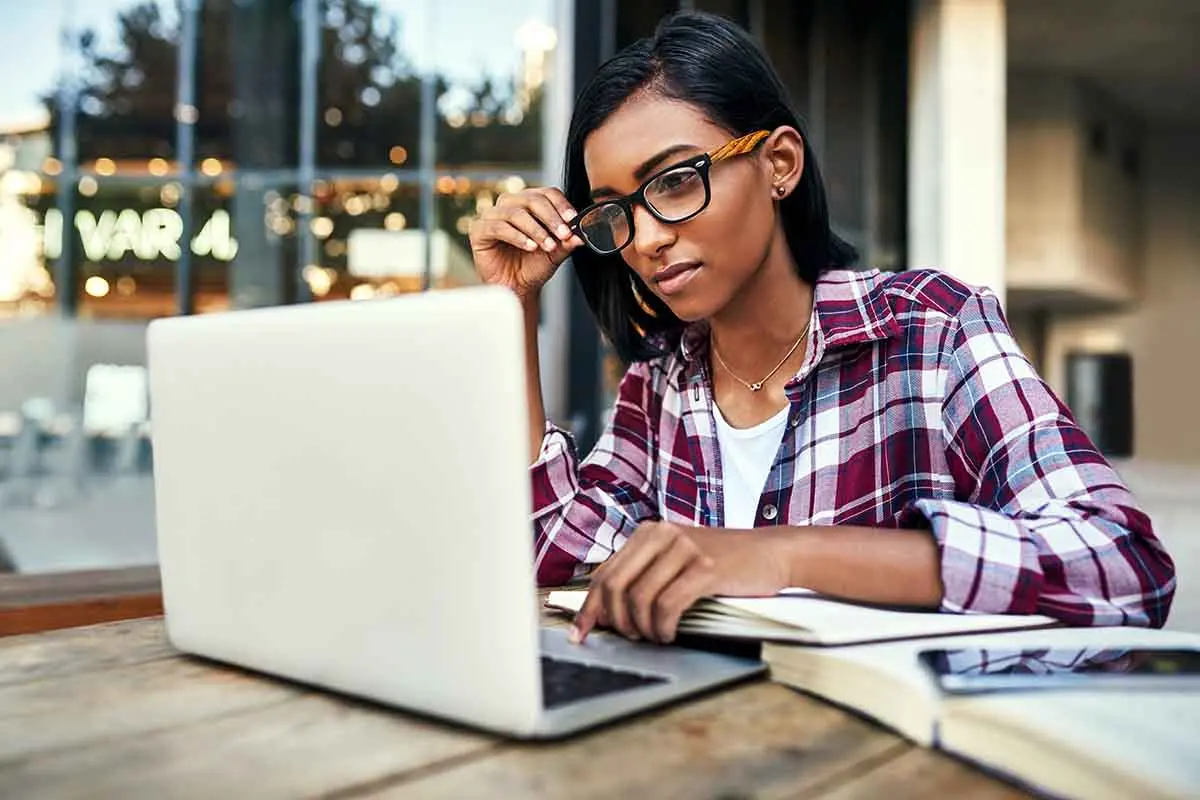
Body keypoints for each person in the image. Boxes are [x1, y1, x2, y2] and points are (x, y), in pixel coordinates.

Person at [467, 11, 1175, 645]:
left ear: (778, 164)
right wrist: (514, 308)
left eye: (676, 179)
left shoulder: (930, 331)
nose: (645, 238)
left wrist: (781, 554)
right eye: (615, 210)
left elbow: (1122, 563)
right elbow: (551, 554)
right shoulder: (661, 384)